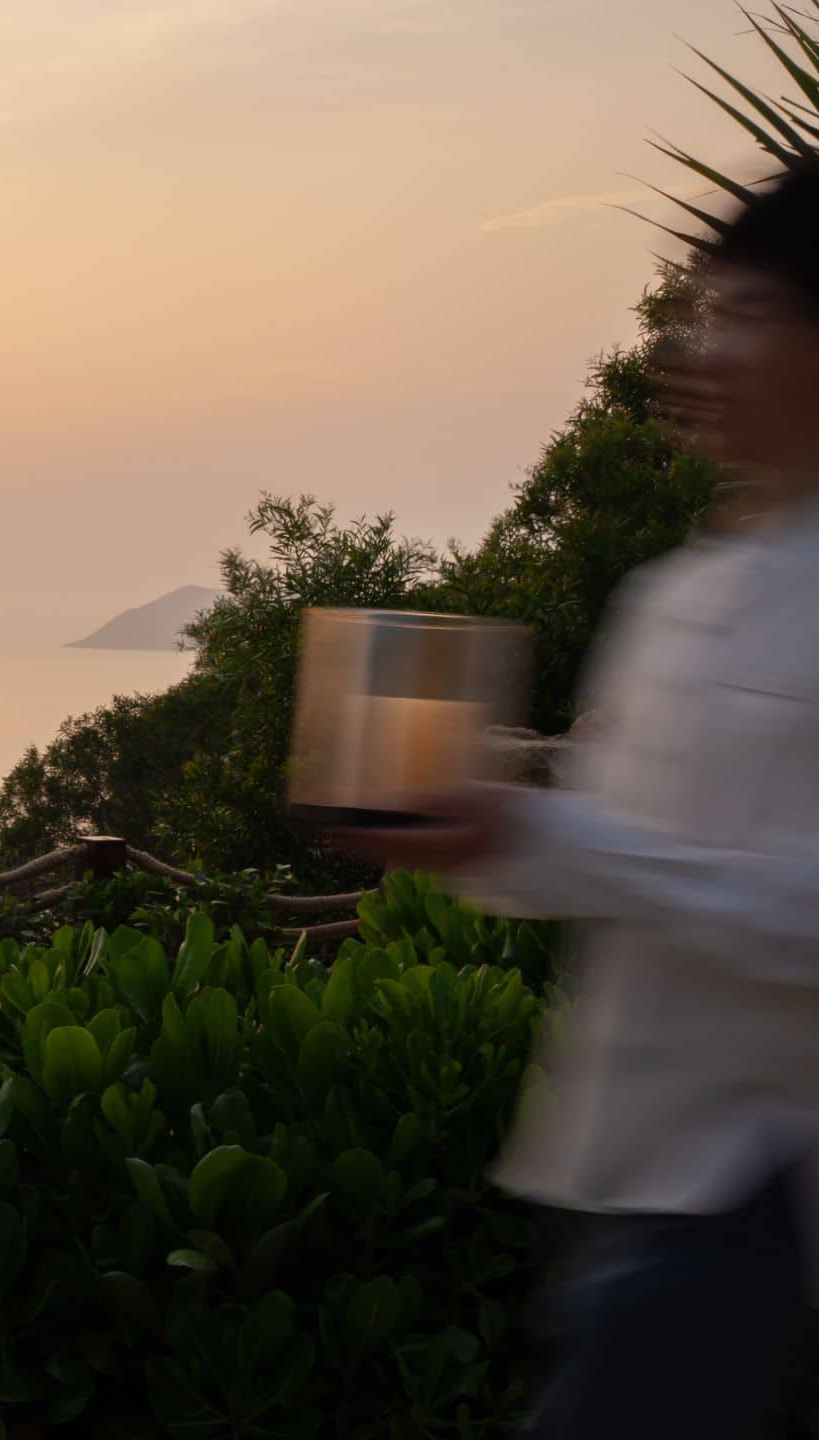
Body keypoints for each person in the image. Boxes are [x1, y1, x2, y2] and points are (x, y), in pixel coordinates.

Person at [333, 161, 819, 1439]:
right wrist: (468, 828)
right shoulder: (673, 597)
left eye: (747, 316)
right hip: (610, 1180)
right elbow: (602, 849)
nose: (695, 351)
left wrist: (550, 833)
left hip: (751, 1192)